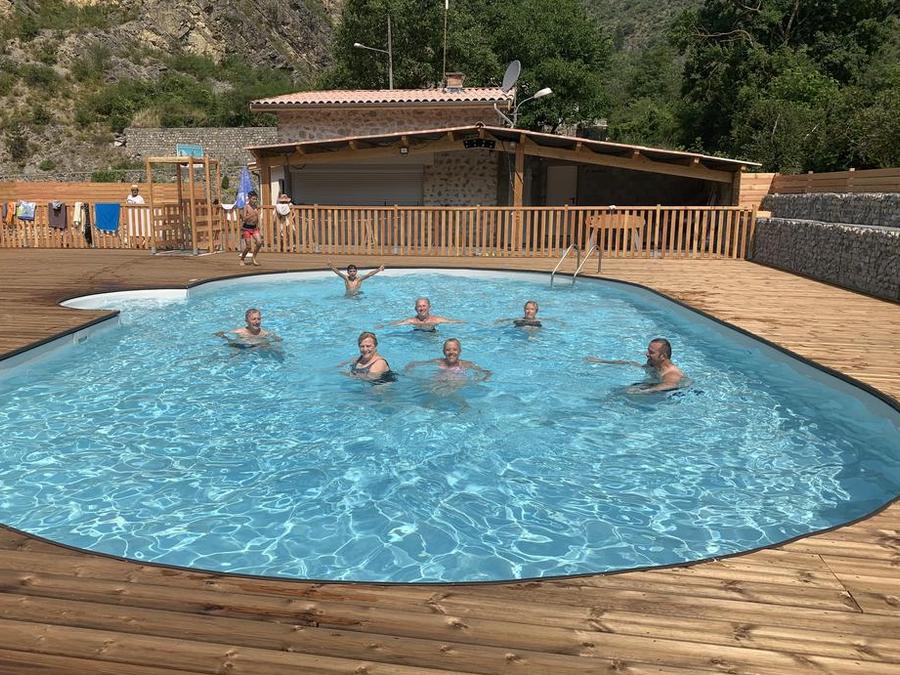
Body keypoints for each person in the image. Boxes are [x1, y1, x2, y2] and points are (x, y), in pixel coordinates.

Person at [586, 337, 685, 393]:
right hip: (653, 384)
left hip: (671, 394)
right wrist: (602, 361)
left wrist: (642, 391)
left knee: (624, 393)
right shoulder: (654, 364)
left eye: (651, 352)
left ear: (663, 356)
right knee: (617, 391)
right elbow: (631, 363)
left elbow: (671, 384)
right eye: (648, 350)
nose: (647, 354)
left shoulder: (671, 373)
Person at [405, 338, 491, 381]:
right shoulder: (439, 362)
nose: (451, 352)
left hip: (456, 385)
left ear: (460, 351)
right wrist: (408, 368)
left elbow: (487, 372)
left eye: (455, 349)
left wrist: (481, 379)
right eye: (448, 350)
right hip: (439, 383)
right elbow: (415, 363)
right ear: (443, 352)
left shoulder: (466, 364)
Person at [215, 308, 280, 350]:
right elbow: (220, 334)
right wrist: (227, 339)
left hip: (257, 347)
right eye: (253, 319)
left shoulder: (264, 333)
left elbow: (277, 340)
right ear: (246, 321)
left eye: (259, 319)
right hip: (240, 347)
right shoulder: (240, 331)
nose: (257, 321)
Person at [384, 297, 463, 331]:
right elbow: (396, 324)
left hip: (432, 336)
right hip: (417, 336)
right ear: (415, 309)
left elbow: (452, 321)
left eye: (424, 306)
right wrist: (383, 326)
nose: (422, 308)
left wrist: (463, 322)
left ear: (429, 307)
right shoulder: (412, 321)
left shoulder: (436, 320)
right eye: (419, 306)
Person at [240, 191, 262, 267]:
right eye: (253, 199)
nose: (254, 200)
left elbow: (257, 218)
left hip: (254, 228)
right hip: (247, 228)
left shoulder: (256, 207)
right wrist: (251, 215)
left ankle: (253, 258)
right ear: (249, 199)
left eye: (255, 199)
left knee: (259, 242)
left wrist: (258, 225)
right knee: (248, 247)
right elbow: (244, 219)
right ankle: (242, 259)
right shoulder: (246, 207)